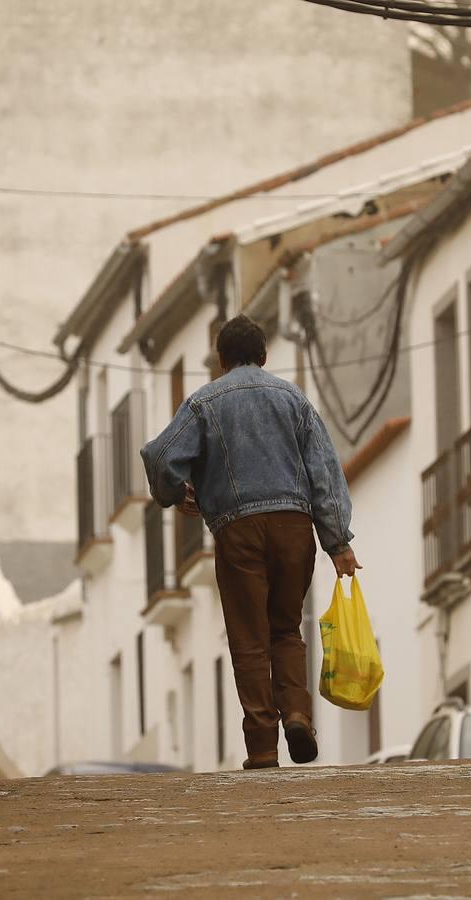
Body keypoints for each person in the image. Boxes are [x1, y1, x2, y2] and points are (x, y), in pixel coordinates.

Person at [140, 314, 359, 769]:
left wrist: (176, 494)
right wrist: (337, 542)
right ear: (264, 355)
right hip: (295, 529)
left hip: (238, 531)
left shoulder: (204, 402)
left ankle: (262, 747)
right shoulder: (293, 399)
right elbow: (324, 471)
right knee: (285, 629)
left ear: (220, 359)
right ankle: (297, 713)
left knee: (249, 638)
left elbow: (160, 455)